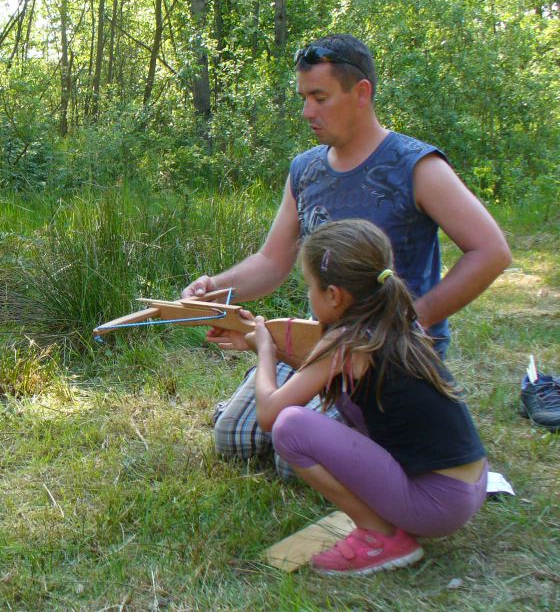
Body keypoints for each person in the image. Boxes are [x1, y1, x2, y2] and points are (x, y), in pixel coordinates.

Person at [182, 34, 510, 477]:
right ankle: (289, 395)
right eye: (304, 98)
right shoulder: (305, 170)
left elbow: (491, 251)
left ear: (361, 93)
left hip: (388, 360)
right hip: (320, 347)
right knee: (233, 439)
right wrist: (214, 289)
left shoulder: (417, 166)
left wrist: (409, 321)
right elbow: (272, 262)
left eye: (320, 97)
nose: (307, 112)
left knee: (290, 461)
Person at [243, 219, 487, 574]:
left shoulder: (346, 342)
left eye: (309, 286)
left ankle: (379, 537)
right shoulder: (392, 322)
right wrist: (263, 341)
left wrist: (265, 350)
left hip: (435, 504)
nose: (308, 295)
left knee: (289, 427)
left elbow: (269, 414)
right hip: (466, 487)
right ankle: (390, 523)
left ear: (333, 295)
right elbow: (317, 373)